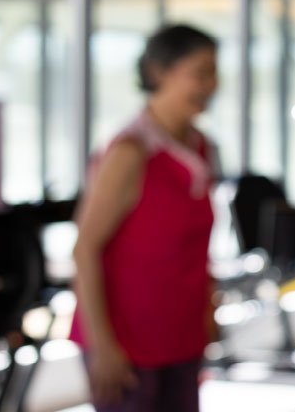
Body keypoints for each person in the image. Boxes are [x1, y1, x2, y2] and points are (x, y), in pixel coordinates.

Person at [72, 25, 221, 412]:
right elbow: (84, 250)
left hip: (181, 334)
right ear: (159, 73)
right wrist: (102, 346)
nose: (211, 84)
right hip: (128, 342)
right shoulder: (130, 152)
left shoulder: (202, 148)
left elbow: (197, 249)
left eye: (214, 72)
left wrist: (208, 309)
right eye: (200, 72)